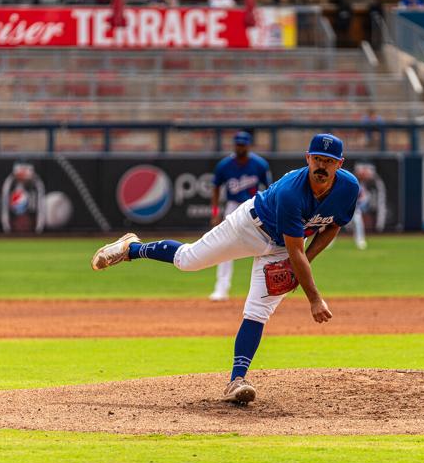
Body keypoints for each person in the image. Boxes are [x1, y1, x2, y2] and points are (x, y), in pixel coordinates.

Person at [91, 133, 359, 404]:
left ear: (340, 164)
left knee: (258, 311)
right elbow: (296, 249)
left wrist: (300, 264)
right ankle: (132, 249)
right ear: (307, 158)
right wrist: (313, 297)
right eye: (317, 159)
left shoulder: (348, 188)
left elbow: (332, 226)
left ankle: (237, 380)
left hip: (284, 245)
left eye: (329, 161)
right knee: (188, 260)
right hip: (250, 227)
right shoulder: (293, 192)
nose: (321, 166)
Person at [209, 131, 271, 301]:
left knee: (264, 245)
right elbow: (215, 188)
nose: (240, 147)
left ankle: (265, 290)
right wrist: (215, 213)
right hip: (233, 206)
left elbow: (269, 188)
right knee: (224, 246)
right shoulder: (224, 165)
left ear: (249, 146)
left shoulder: (259, 164)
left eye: (243, 144)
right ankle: (221, 288)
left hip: (253, 206)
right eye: (238, 144)